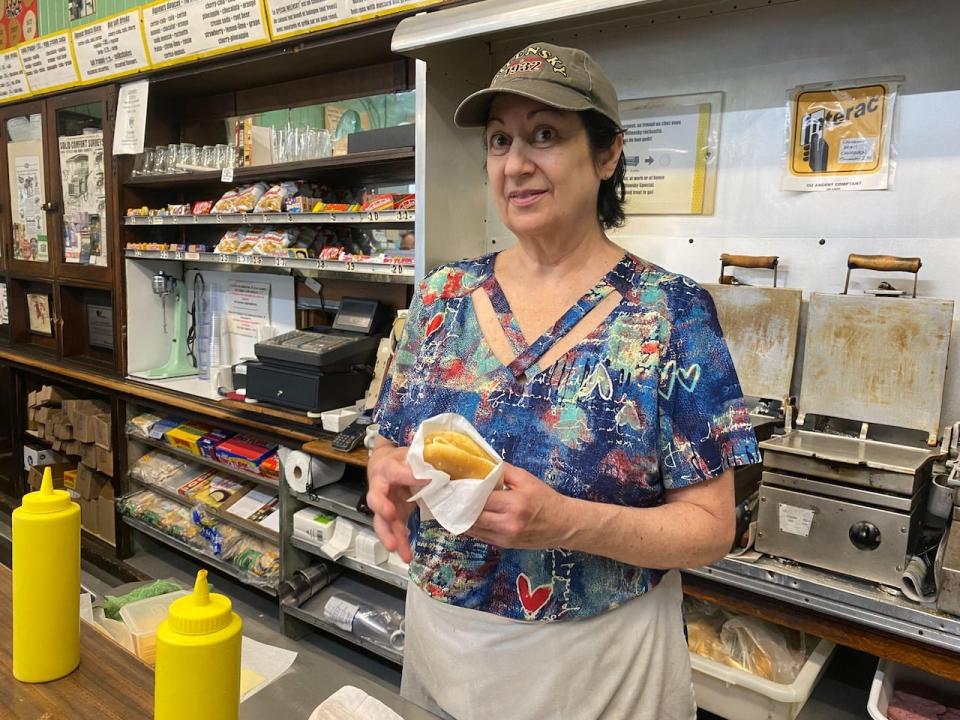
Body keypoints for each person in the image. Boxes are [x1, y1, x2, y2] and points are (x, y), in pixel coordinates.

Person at [367, 42, 760, 720]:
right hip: (445, 644)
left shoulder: (669, 312)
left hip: (600, 662)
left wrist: (564, 523)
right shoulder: (443, 297)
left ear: (606, 155)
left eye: (544, 135)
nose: (515, 164)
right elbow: (390, 443)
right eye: (499, 141)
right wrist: (388, 477)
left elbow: (710, 528)